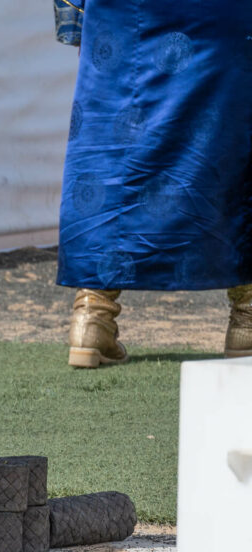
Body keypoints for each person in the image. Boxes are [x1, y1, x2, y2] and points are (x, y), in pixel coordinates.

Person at [56, 0, 252, 367]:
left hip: (121, 12)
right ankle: (248, 315)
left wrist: (76, 20)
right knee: (237, 135)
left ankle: (92, 317)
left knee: (108, 146)